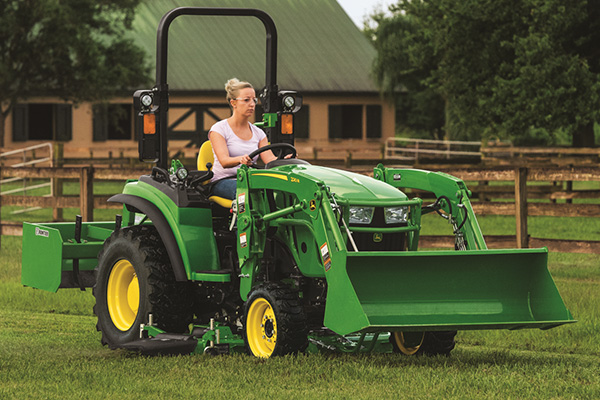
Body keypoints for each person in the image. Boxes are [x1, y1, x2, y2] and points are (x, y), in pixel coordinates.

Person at [208, 78, 279, 200]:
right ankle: (241, 220)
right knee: (246, 195)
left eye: (254, 100)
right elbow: (224, 161)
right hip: (222, 181)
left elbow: (270, 160)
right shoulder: (219, 129)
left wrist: (284, 160)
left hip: (249, 180)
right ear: (233, 103)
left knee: (274, 194)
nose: (252, 104)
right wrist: (240, 159)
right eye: (246, 100)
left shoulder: (259, 133)